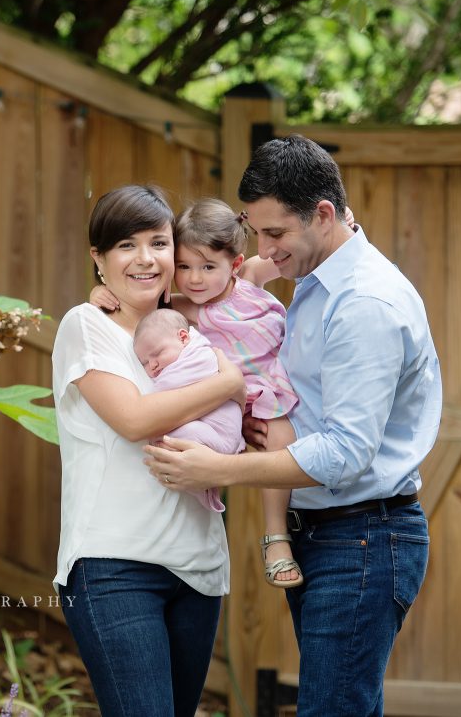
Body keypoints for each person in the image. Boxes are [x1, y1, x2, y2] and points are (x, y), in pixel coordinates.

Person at [143, 135, 442, 717]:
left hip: (362, 538)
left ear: (324, 215)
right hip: (331, 534)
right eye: (257, 233)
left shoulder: (363, 305)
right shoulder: (315, 272)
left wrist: (220, 468)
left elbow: (345, 454)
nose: (264, 250)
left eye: (275, 233)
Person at [51, 184, 245, 717]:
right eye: (125, 245)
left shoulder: (199, 321)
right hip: (115, 567)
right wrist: (228, 381)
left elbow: (242, 273)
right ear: (99, 258)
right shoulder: (86, 325)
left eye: (158, 243)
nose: (145, 259)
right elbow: (135, 420)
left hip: (198, 570)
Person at [93, 198, 311, 588]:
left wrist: (342, 223)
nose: (195, 279)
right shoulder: (181, 310)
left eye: (208, 267)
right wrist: (100, 294)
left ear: (235, 264)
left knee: (280, 436)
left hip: (273, 389)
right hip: (229, 400)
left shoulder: (250, 281)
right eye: (184, 267)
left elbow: (284, 253)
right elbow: (134, 309)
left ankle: (276, 535)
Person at [132, 307, 245, 512]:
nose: (153, 366)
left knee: (168, 439)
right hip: (212, 434)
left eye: (157, 354)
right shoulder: (179, 353)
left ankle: (205, 491)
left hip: (219, 436)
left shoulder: (199, 356)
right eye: (145, 363)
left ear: (183, 337)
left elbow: (168, 389)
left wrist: (147, 401)